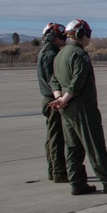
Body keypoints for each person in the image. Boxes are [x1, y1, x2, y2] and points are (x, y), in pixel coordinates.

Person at [49, 19, 107, 195]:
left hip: (66, 109)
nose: (89, 37)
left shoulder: (60, 54)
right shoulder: (79, 54)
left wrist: (59, 99)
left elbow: (54, 80)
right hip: (82, 107)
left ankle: (77, 183)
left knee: (73, 147)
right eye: (88, 34)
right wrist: (65, 99)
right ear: (80, 34)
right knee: (95, 145)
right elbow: (78, 81)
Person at [37, 23, 69, 183]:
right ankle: (58, 172)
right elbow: (54, 80)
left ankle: (54, 170)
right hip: (53, 100)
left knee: (52, 136)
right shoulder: (50, 55)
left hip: (49, 99)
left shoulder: (48, 52)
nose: (64, 39)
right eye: (60, 36)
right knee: (56, 137)